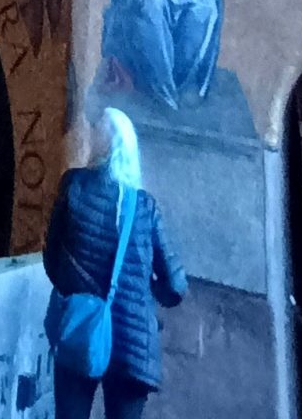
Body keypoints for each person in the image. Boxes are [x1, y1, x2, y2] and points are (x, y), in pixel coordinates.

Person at [43, 107, 187, 419]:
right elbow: (176, 287)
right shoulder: (145, 207)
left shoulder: (74, 185)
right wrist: (144, 292)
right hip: (133, 344)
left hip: (80, 328)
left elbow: (52, 260)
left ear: (100, 145)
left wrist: (78, 290)